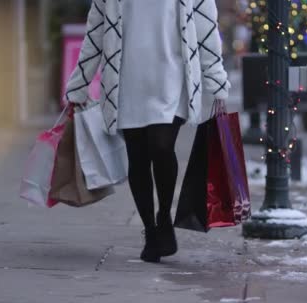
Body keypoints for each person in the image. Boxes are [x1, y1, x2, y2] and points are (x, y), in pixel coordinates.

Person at [65, 0, 230, 263]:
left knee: (162, 146)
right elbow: (95, 32)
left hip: (172, 78)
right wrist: (80, 83)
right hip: (126, 80)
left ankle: (163, 214)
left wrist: (217, 79)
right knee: (138, 157)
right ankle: (151, 231)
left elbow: (206, 29)